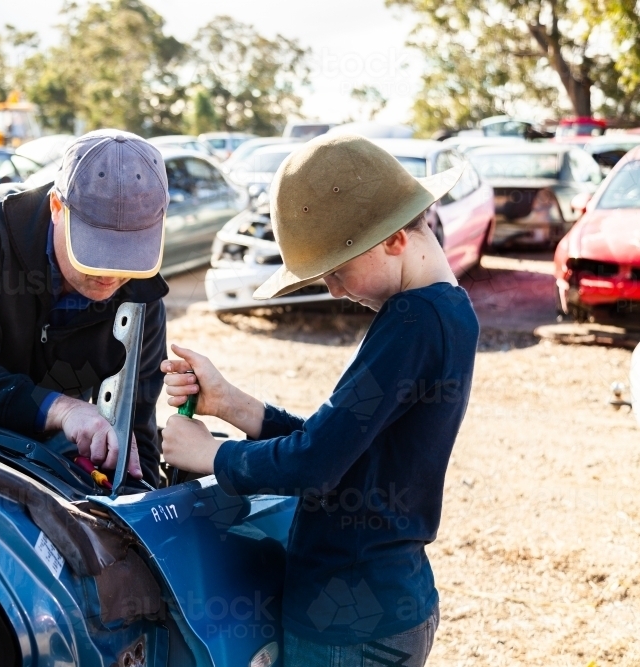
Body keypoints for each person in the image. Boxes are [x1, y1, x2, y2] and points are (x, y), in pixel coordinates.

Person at [160, 134, 479, 665]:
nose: (332, 288)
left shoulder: (412, 321)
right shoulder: (446, 312)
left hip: (348, 624)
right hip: (386, 602)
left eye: (336, 268)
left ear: (395, 238)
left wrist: (212, 455)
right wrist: (234, 405)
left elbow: (317, 462)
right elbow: (343, 444)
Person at [0, 129, 170, 486]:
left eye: (127, 254)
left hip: (52, 468)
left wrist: (143, 504)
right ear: (57, 208)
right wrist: (62, 408)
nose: (112, 273)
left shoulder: (142, 286)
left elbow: (136, 427)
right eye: (96, 252)